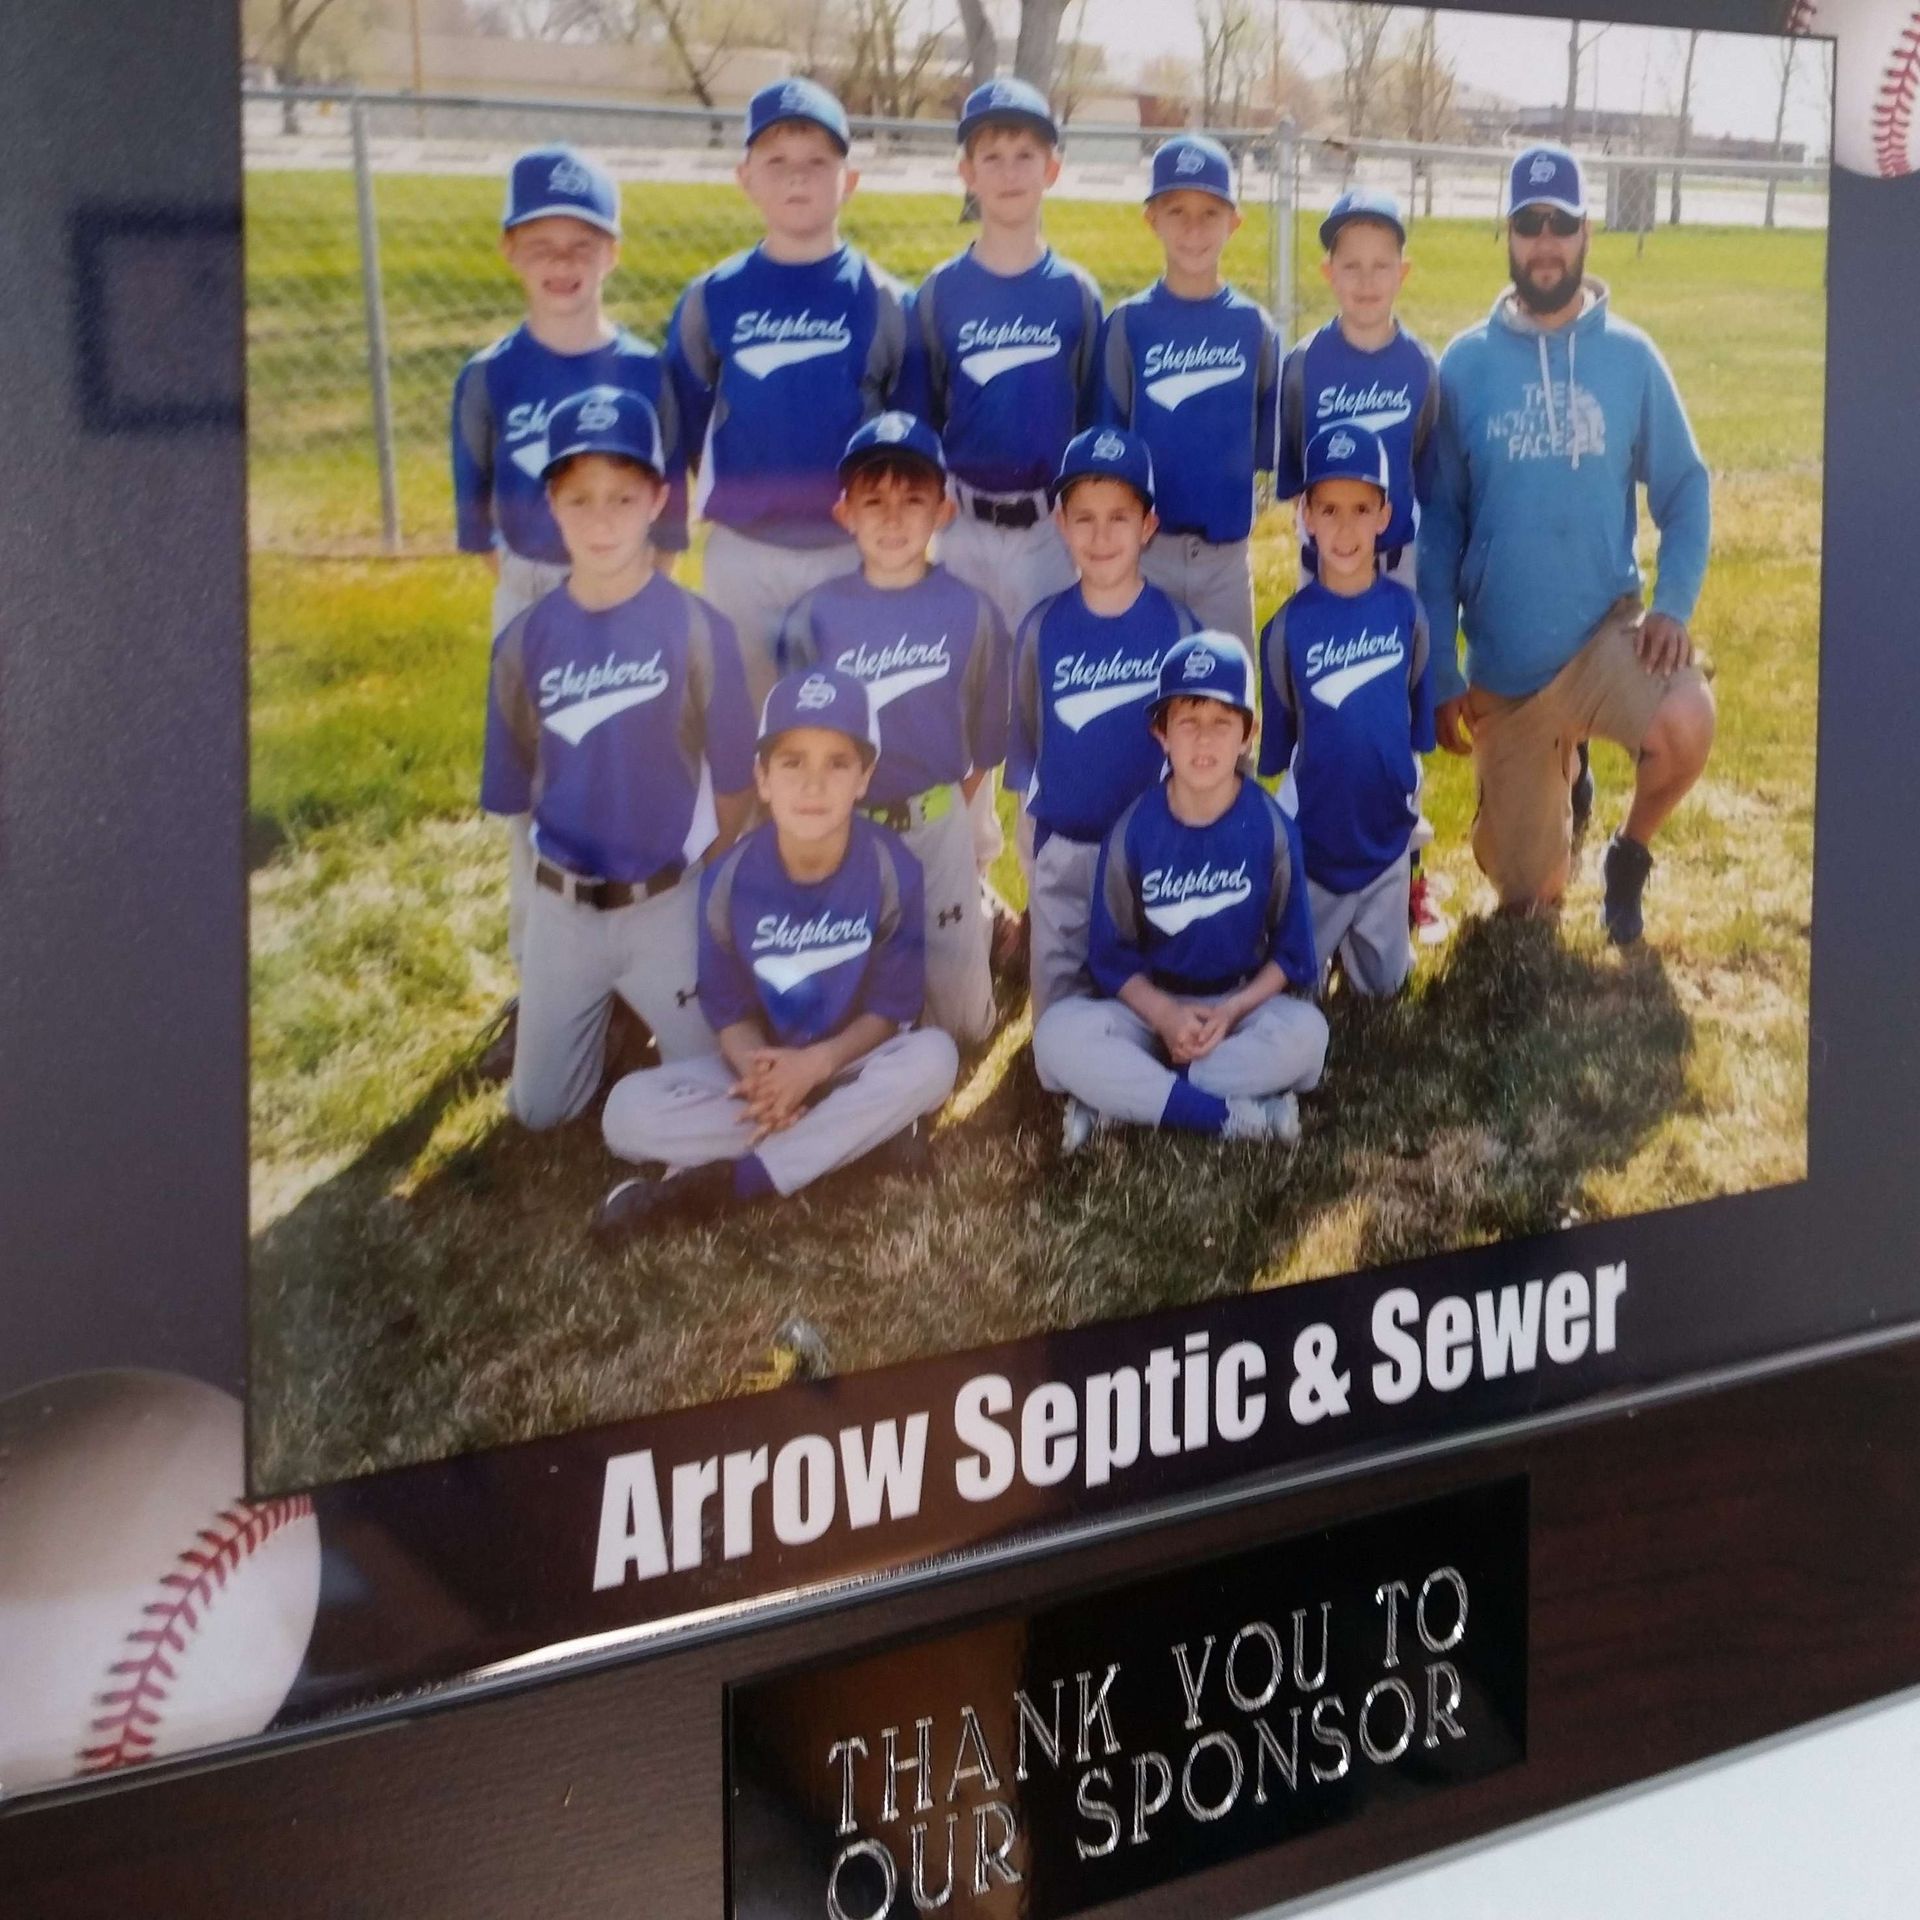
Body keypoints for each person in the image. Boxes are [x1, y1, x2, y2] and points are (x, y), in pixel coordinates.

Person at [1418, 144, 1715, 944]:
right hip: (1509, 668)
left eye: (1561, 224)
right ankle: (1556, 784)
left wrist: (1674, 603)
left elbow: (1686, 490)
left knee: (1687, 720)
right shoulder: (1466, 365)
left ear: (1586, 233)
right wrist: (1444, 667)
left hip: (1603, 638)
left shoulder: (1629, 357)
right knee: (1527, 900)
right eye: (1528, 224)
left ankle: (1629, 854)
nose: (1544, 242)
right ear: (1508, 236)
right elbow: (1440, 521)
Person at [451, 143, 689, 1075]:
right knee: (538, 798)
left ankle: (642, 982)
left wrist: (646, 596)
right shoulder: (491, 375)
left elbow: (668, 499)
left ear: (613, 252)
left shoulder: (644, 367)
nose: (562, 262)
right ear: (511, 251)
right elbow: (480, 511)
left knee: (636, 774)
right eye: (541, 243)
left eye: (581, 243)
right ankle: (542, 983)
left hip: (633, 589)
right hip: (534, 591)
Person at [594, 668, 959, 1237]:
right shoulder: (730, 878)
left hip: (847, 1064)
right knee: (626, 1111)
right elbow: (730, 1011)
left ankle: (732, 1183)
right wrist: (764, 1079)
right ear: (762, 778)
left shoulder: (892, 868)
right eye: (792, 762)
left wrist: (815, 1067)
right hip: (764, 1067)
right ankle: (861, 1143)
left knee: (935, 1058)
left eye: (837, 763)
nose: (813, 785)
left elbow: (890, 1013)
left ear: (864, 778)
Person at [480, 387, 754, 1132]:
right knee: (540, 1112)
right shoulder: (525, 642)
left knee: (723, 1086)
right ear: (552, 504)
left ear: (658, 500)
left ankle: (647, 1005)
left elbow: (734, 788)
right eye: (581, 499)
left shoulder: (698, 628)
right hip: (565, 911)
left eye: (624, 497)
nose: (602, 520)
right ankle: (599, 1014)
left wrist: (697, 886)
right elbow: (523, 790)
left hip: (664, 901)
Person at [916, 76, 1104, 945]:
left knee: (1040, 707)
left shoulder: (1074, 294)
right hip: (961, 527)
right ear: (966, 172)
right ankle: (960, 894)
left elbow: (1096, 423)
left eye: (1025, 153)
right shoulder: (943, 293)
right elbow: (920, 414)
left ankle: (1050, 901)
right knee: (956, 711)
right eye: (989, 155)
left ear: (1053, 169)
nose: (1008, 169)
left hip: (1043, 532)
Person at [666, 78, 921, 706]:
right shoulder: (713, 296)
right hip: (742, 553)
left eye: (817, 163)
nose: (797, 179)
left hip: (850, 552)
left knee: (851, 724)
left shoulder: (886, 300)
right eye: (776, 162)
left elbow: (911, 440)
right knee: (745, 725)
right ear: (744, 177)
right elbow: (683, 420)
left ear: (849, 180)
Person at [1032, 632, 1328, 1151]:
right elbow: (1112, 962)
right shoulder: (1133, 830)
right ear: (1161, 734)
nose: (1204, 740)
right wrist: (1165, 1016)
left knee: (1308, 1039)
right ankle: (1232, 1116)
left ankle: (1122, 1104)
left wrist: (1232, 1011)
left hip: (1232, 1009)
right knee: (1055, 1037)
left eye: (1221, 722)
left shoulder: (1272, 827)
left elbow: (1291, 956)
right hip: (1152, 1010)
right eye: (1187, 723)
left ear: (1247, 734)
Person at [776, 413, 1009, 1046]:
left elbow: (987, 742)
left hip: (935, 821)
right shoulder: (815, 618)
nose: (893, 517)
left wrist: (949, 818)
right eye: (872, 501)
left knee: (964, 1031)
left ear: (944, 511)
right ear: (844, 513)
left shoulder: (971, 611)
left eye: (913, 500)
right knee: (845, 1019)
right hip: (846, 830)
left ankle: (976, 923)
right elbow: (794, 743)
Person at [1275, 186, 1448, 945]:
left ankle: (1402, 875)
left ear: (1404, 273)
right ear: (1328, 272)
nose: (1368, 280)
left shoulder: (1421, 367)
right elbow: (1292, 476)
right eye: (1353, 265)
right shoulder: (1305, 366)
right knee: (1333, 721)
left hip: (1396, 565)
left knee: (1391, 729)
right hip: (1325, 567)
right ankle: (1317, 864)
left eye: (1383, 266)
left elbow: (1425, 469)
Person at [1008, 426, 1202, 1023]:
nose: (1100, 536)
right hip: (1066, 854)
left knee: (1157, 1015)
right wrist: (1040, 855)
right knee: (1055, 1041)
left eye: (1119, 518)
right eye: (1083, 518)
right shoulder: (1041, 629)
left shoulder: (1178, 629)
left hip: (1151, 855)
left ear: (1148, 527)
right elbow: (1027, 752)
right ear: (1061, 525)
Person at [1260, 423, 1434, 997]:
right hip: (1318, 850)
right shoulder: (1286, 628)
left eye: (1361, 508)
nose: (1344, 527)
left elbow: (1411, 722)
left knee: (1385, 990)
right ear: (1304, 515)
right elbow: (1286, 749)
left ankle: (1394, 912)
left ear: (1385, 515)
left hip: (1384, 841)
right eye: (1328, 509)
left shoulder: (1406, 614)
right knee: (1295, 994)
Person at [1090, 134, 1280, 649]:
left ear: (1234, 222)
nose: (1194, 229)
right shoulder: (1130, 323)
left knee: (1225, 704)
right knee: (1139, 698)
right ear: (1152, 218)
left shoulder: (1253, 327)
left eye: (1210, 213)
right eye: (1177, 211)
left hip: (1223, 559)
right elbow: (1111, 445)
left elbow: (1263, 438)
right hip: (1145, 551)